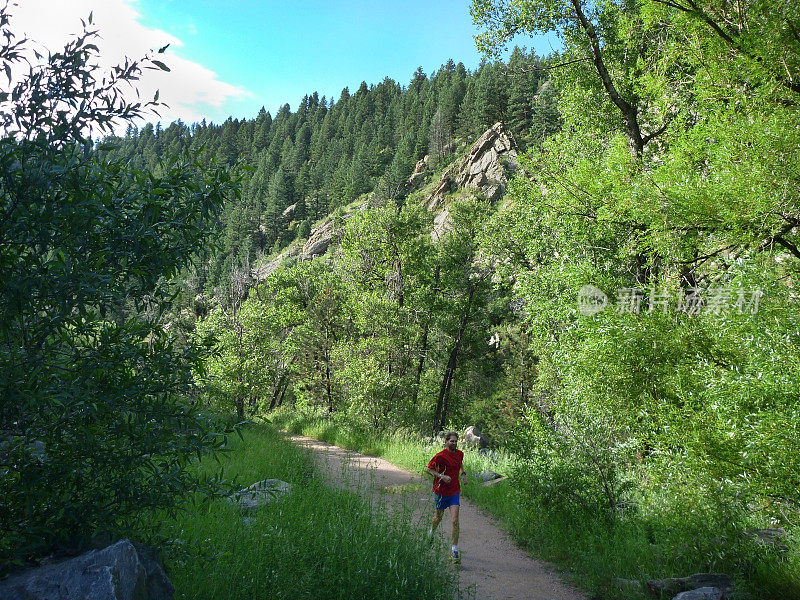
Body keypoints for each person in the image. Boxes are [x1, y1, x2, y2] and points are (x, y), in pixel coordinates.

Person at [426, 431, 468, 562]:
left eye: (455, 441)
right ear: (446, 442)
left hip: (454, 491)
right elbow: (429, 469)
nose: (454, 443)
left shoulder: (460, 454)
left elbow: (459, 464)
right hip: (441, 491)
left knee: (455, 521)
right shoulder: (440, 456)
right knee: (437, 517)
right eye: (452, 441)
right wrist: (441, 476)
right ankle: (431, 532)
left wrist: (463, 474)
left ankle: (454, 549)